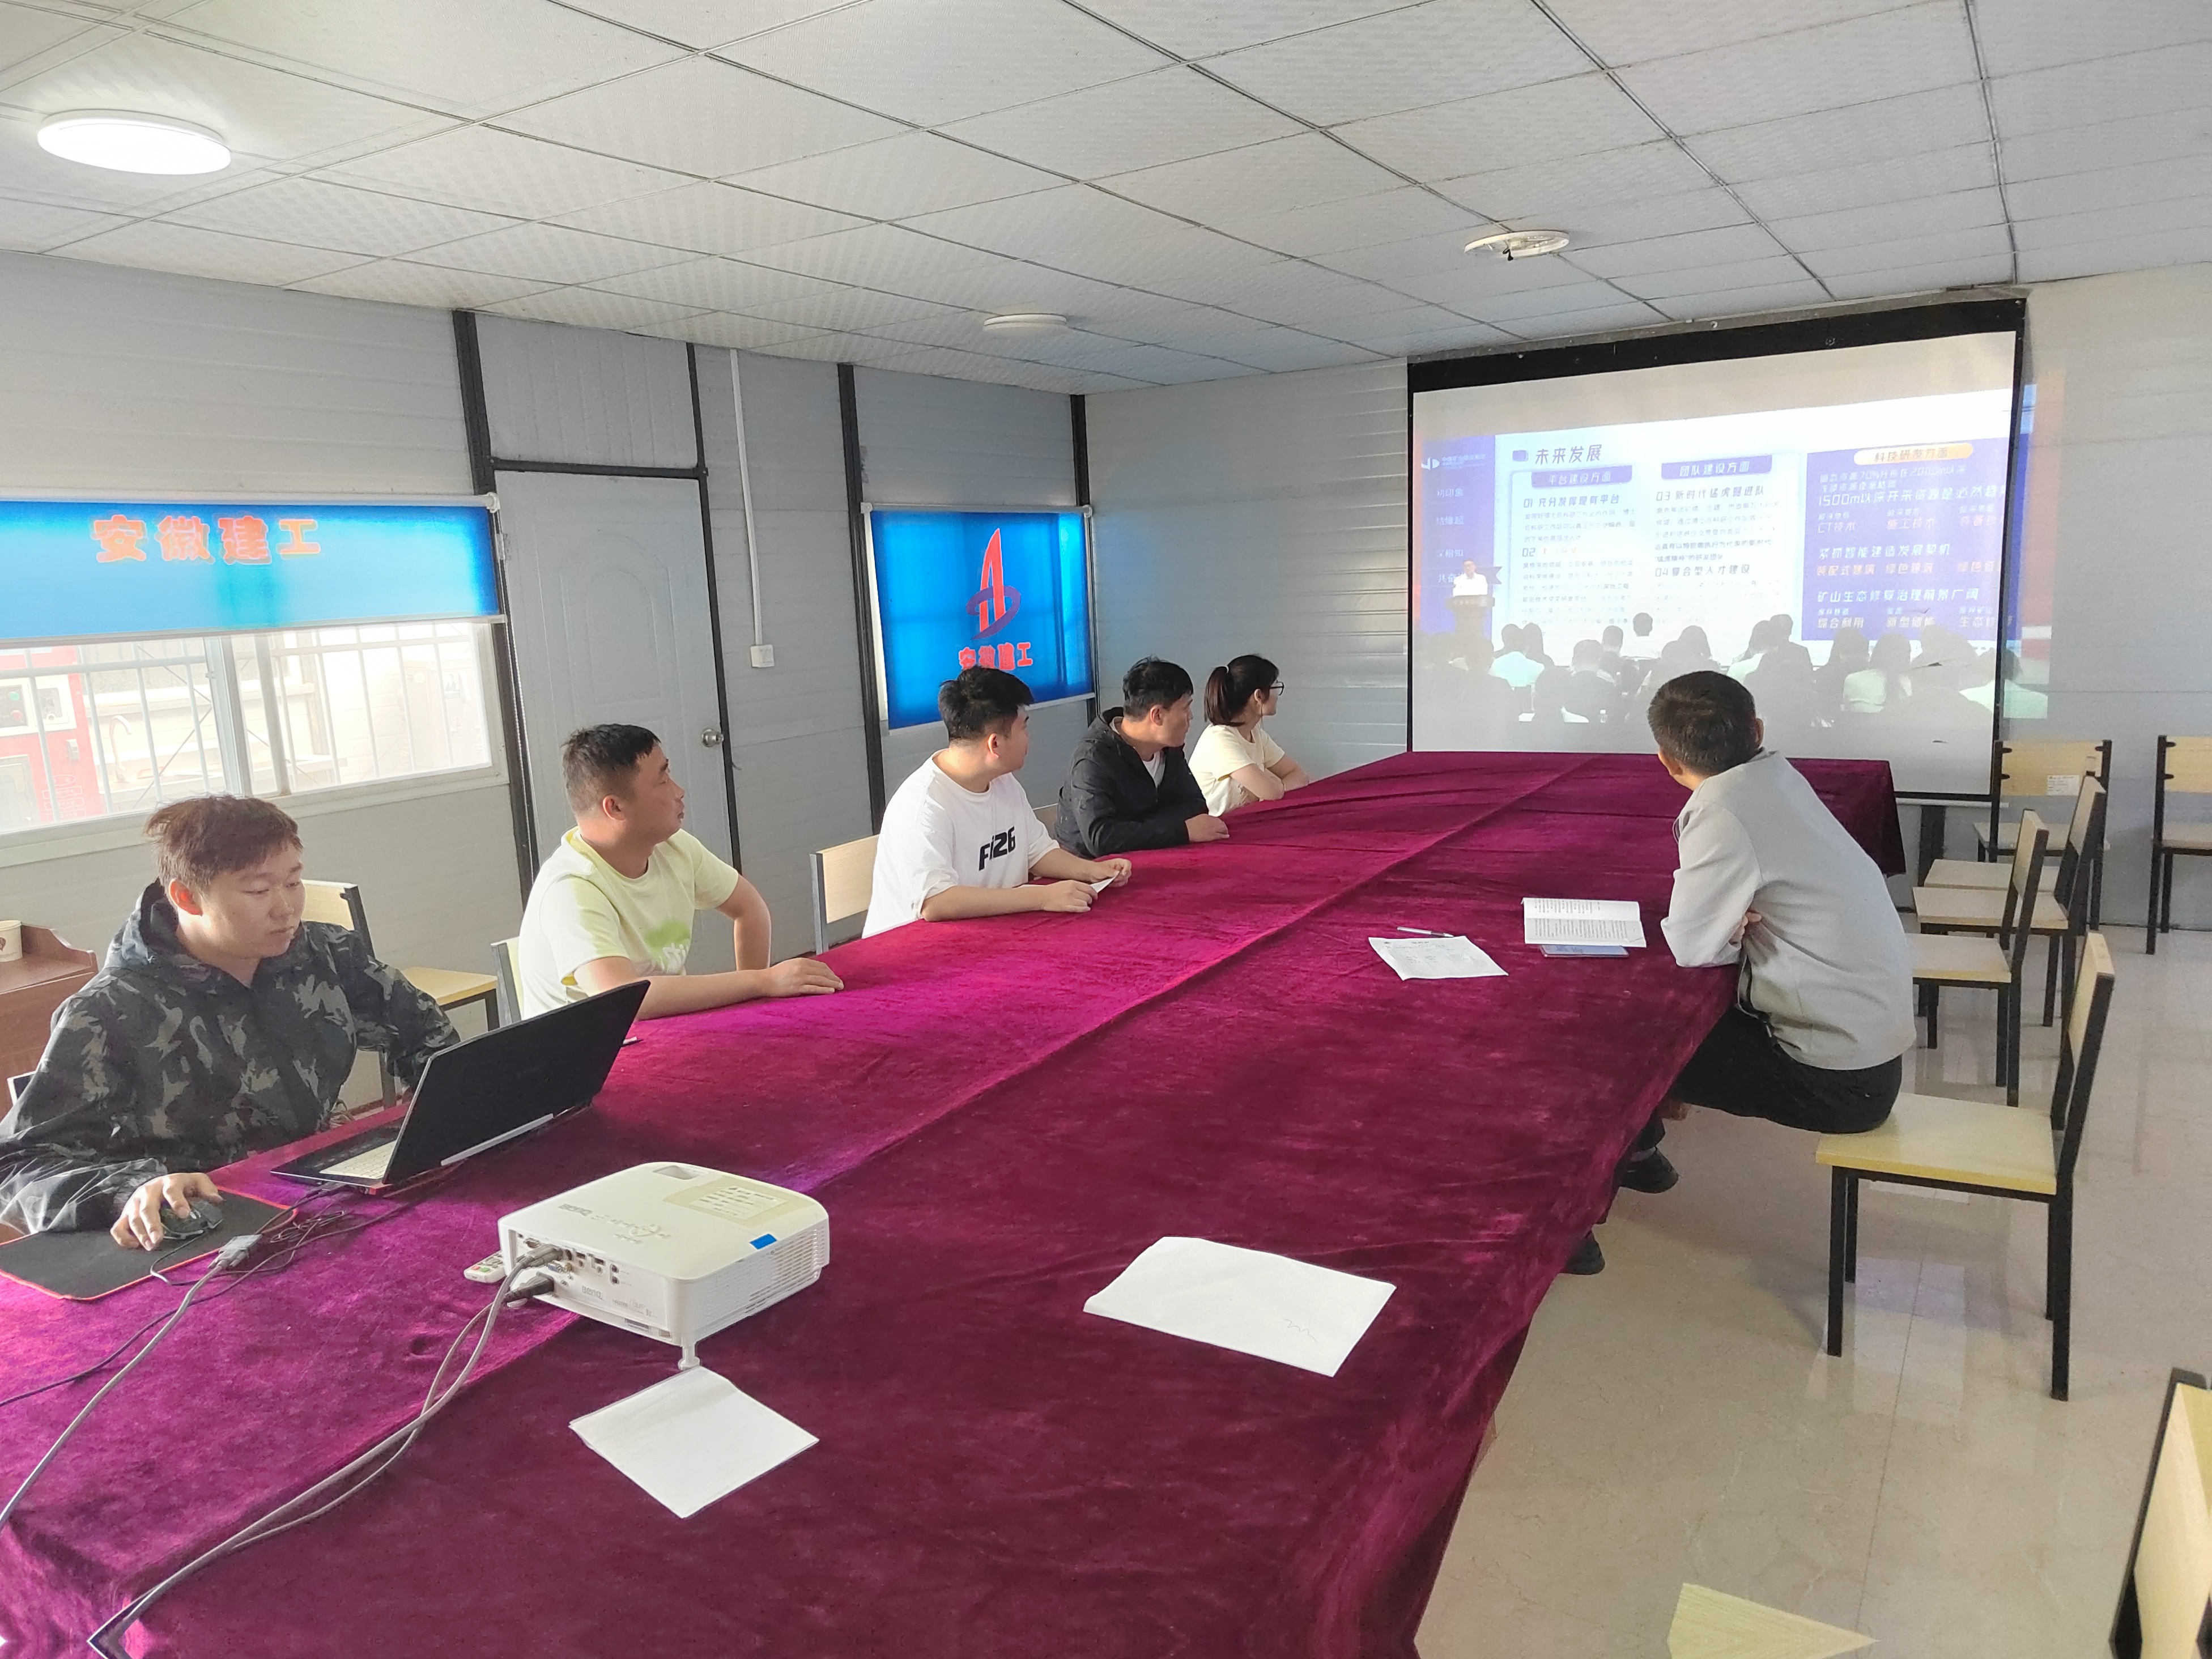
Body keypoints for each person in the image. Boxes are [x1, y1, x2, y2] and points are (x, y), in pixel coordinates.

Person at [1567, 673, 1912, 1275]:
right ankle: (1641, 1153)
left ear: (1665, 759)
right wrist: (1731, 922)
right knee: (1664, 1025)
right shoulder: (1778, 779)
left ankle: (1571, 1219)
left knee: (1608, 1037)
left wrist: (1725, 926)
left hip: (1837, 1080)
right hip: (1868, 1051)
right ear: (1757, 731)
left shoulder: (1722, 811)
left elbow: (1692, 945)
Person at [0, 797, 457, 1247]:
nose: (286, 908)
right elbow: (19, 1163)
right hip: (203, 1228)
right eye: (258, 891)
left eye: (293, 882)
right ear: (186, 897)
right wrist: (129, 1190)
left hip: (321, 1197)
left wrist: (435, 1112)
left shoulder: (324, 954)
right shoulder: (110, 1010)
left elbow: (425, 1032)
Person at [517, 724, 840, 1018]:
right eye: (663, 780)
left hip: (662, 1032)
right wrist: (761, 981)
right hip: (596, 1055)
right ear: (615, 807)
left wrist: (755, 1006)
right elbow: (623, 998)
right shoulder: (570, 887)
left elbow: (749, 908)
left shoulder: (673, 847)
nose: (679, 791)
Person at [867, 666, 1129, 935]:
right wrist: (1042, 897)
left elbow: (1038, 852)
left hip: (992, 932)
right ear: (995, 744)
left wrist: (1091, 871)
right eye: (1023, 727)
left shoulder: (1003, 782)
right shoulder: (923, 806)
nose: (1029, 737)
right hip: (914, 946)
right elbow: (936, 903)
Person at [1056, 657, 1226, 856]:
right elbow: (1102, 838)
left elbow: (1195, 804)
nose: (1191, 716)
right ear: (1157, 715)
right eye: (1185, 708)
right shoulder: (1093, 759)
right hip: (1090, 867)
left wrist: (1138, 829)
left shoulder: (1169, 747)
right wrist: (1181, 830)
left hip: (1152, 855)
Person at [1189, 654, 1313, 815]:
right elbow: (1270, 792)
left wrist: (1279, 787)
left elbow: (1298, 775)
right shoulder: (1219, 740)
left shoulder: (1255, 733)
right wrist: (1275, 788)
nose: (1277, 696)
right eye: (1275, 688)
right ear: (1259, 696)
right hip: (1214, 826)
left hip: (1241, 821)